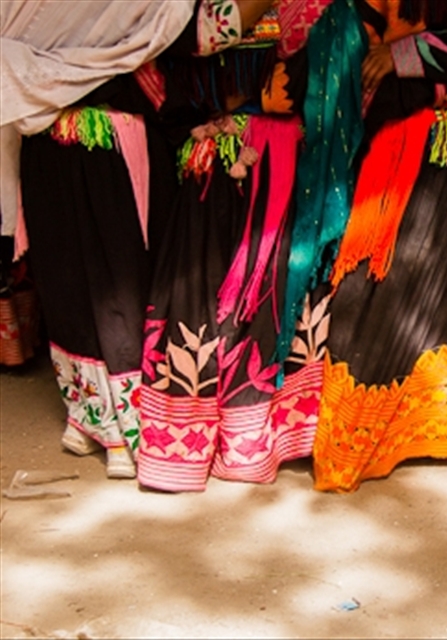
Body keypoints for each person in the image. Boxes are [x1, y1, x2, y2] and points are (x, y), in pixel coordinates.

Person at [309, 0, 447, 492]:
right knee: (377, 283)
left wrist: (409, 53)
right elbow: (352, 44)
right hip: (400, 139)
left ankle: (440, 429)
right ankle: (360, 437)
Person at [136, 0, 337, 492]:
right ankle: (193, 447)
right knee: (205, 296)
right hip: (222, 160)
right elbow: (159, 76)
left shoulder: (311, 9)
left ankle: (245, 443)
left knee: (264, 297)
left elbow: (326, 80)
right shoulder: (182, 10)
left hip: (280, 167)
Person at [2, 0, 195, 478]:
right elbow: (199, 33)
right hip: (111, 140)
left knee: (66, 281)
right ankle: (126, 433)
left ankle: (86, 420)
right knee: (121, 282)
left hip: (45, 139)